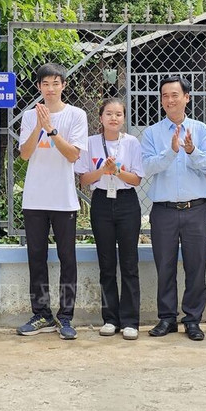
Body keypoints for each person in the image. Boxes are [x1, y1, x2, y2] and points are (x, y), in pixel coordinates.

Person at [141, 75, 206, 341]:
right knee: (165, 266)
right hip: (163, 210)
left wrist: (192, 150)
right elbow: (146, 168)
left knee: (197, 266)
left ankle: (193, 320)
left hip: (195, 209)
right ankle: (167, 318)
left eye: (175, 95)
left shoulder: (201, 130)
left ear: (187, 97)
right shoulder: (151, 133)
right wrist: (171, 152)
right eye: (165, 96)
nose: (170, 100)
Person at [16, 63, 88, 340]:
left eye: (56, 83)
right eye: (45, 84)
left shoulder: (76, 115)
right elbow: (24, 154)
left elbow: (72, 156)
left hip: (64, 200)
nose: (50, 88)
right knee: (36, 257)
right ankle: (41, 314)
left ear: (63, 86)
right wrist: (38, 126)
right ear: (39, 87)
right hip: (35, 198)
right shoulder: (28, 116)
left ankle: (66, 317)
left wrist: (52, 130)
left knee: (67, 258)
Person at [75, 98, 144, 340]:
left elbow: (136, 179)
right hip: (102, 202)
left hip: (127, 202)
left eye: (118, 114)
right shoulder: (91, 143)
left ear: (124, 118)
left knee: (129, 262)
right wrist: (103, 171)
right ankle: (110, 319)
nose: (113, 118)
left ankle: (130, 321)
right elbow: (84, 179)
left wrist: (117, 171)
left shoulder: (132, 143)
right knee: (106, 263)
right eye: (108, 114)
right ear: (101, 117)